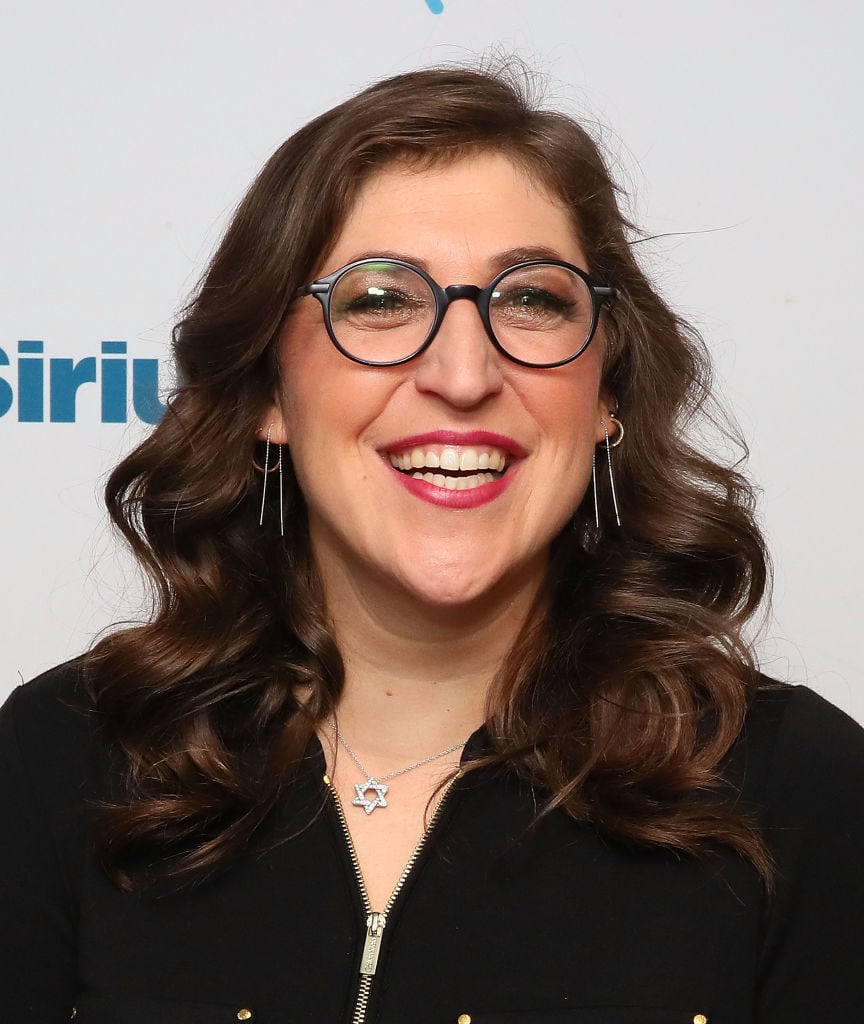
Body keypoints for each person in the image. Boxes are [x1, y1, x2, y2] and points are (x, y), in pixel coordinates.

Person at [2, 63, 863, 1024]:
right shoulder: (63, 756)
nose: (463, 372)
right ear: (266, 392)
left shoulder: (804, 791)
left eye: (533, 299)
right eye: (379, 301)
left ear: (608, 394)